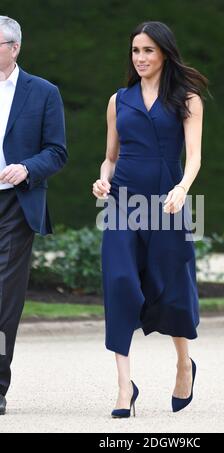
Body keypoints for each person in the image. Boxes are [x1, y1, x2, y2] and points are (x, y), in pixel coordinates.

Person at [93, 21, 206, 417]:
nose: (140, 58)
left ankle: (183, 363)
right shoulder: (117, 100)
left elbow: (193, 156)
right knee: (120, 282)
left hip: (167, 201)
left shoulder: (187, 98)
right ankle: (125, 388)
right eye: (135, 51)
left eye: (148, 51)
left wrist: (181, 189)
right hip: (123, 201)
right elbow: (111, 155)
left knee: (171, 284)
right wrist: (102, 180)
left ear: (164, 54)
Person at [0, 16, 67, 415]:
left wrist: (27, 167)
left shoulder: (42, 93)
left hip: (15, 205)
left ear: (14, 48)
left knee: (4, 299)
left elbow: (57, 152)